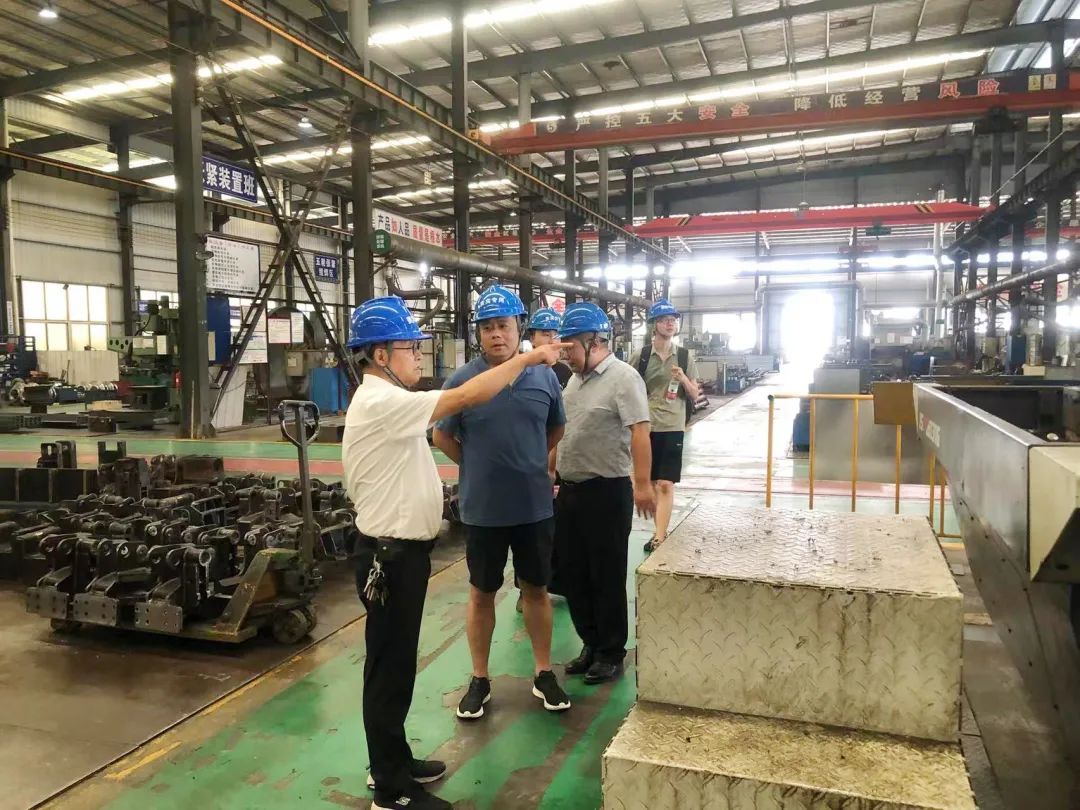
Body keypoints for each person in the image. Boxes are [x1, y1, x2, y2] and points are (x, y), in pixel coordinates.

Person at [342, 295, 567, 810]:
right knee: (389, 671)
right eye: (410, 348)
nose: (418, 356)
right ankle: (392, 791)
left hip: (398, 555)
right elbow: (467, 395)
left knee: (395, 667)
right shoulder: (382, 401)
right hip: (389, 557)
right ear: (381, 356)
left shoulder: (386, 399)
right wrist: (531, 358)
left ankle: (393, 762)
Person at [431, 286, 572, 720]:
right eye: (487, 327)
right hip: (484, 510)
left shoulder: (544, 377)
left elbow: (556, 429)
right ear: (478, 333)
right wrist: (475, 466)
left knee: (536, 590)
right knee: (481, 593)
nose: (496, 335)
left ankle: (543, 672)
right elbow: (441, 435)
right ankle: (479, 678)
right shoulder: (463, 381)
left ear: (519, 329)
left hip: (533, 507)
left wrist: (534, 465)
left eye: (503, 326)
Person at [553, 302, 656, 685]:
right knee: (573, 574)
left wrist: (642, 484)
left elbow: (640, 431)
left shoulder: (624, 378)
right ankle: (591, 643)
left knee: (606, 575)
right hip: (570, 493)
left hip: (606, 493)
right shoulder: (574, 381)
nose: (565, 354)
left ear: (594, 341)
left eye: (570, 347)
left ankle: (611, 652)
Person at [631, 298, 701, 553]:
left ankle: (659, 536)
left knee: (665, 483)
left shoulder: (683, 356)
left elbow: (695, 394)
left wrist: (682, 378)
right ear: (654, 325)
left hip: (673, 426)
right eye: (664, 320)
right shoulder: (641, 356)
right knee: (650, 483)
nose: (670, 324)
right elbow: (626, 386)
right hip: (646, 427)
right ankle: (658, 529)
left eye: (673, 320)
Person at [515, 306, 570, 614]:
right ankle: (525, 591)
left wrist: (553, 465)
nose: (550, 339)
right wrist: (544, 465)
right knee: (525, 531)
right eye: (544, 333)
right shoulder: (521, 368)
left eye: (554, 333)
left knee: (554, 530)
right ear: (532, 337)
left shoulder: (564, 373)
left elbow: (559, 426)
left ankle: (552, 585)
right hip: (532, 466)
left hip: (557, 460)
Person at [527, 307, 573, 389]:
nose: (552, 341)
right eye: (546, 335)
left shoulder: (566, 372)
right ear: (532, 338)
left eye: (557, 336)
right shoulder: (522, 370)